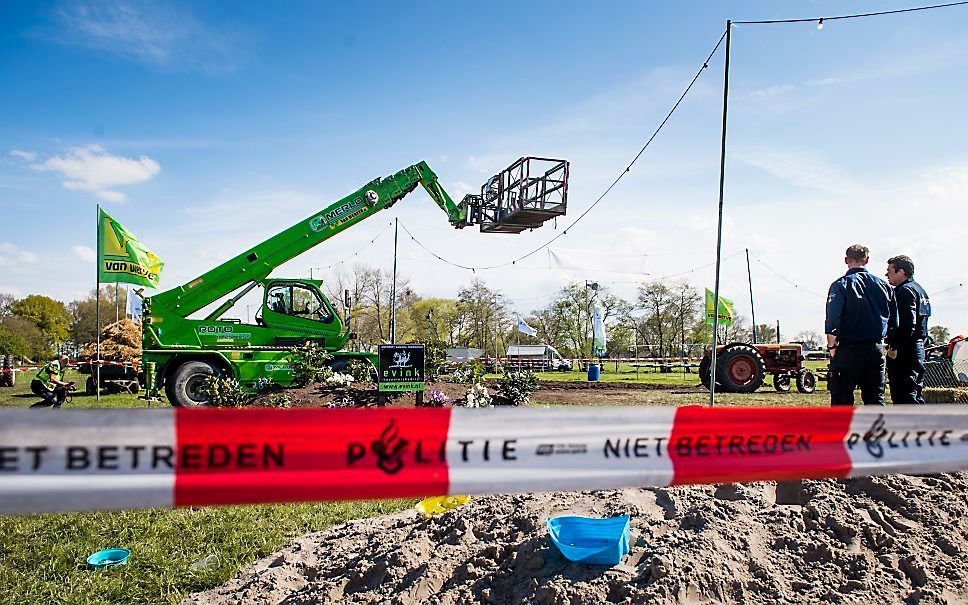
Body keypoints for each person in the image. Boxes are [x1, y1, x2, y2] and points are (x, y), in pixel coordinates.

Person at [824, 245, 898, 406]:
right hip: (875, 348)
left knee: (842, 398)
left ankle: (843, 430)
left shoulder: (840, 285)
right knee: (875, 398)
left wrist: (832, 347)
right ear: (867, 260)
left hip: (849, 347)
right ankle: (877, 430)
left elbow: (832, 320)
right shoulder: (884, 286)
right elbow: (894, 321)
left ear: (846, 260)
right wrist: (890, 346)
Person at [885, 255, 931, 404]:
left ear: (901, 272)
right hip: (917, 347)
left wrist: (894, 347)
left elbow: (907, 324)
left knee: (903, 394)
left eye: (889, 271)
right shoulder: (920, 290)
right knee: (915, 392)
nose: (886, 275)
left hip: (905, 350)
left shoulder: (904, 291)